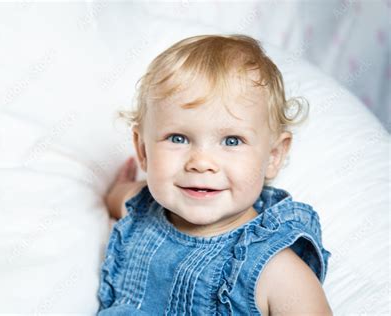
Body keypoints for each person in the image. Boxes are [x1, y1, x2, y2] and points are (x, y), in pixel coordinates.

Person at [98, 34, 332, 315]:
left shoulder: (277, 271)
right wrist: (119, 188)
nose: (201, 162)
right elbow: (116, 197)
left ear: (273, 156)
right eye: (178, 138)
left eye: (232, 141)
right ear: (143, 149)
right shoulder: (139, 209)